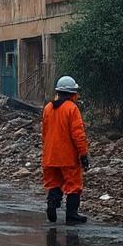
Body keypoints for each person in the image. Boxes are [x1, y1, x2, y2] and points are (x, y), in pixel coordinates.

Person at [42, 75, 90, 225]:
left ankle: (52, 205)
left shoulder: (48, 108)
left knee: (54, 183)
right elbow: (78, 134)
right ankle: (71, 214)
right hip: (67, 156)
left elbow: (44, 132)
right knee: (73, 185)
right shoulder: (72, 109)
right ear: (72, 93)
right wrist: (83, 154)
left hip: (50, 155)